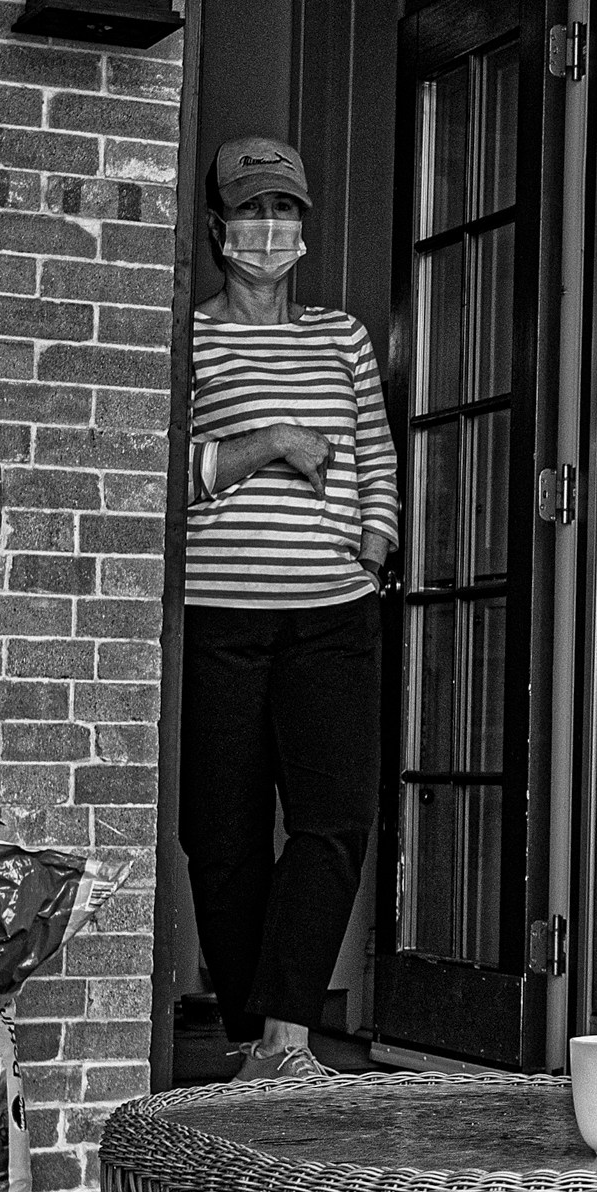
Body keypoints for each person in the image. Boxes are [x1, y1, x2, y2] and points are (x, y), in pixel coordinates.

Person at [177, 135, 396, 1082]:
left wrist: (375, 545)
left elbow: (377, 458)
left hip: (332, 616)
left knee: (334, 819)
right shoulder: (189, 338)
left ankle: (288, 1037)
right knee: (218, 835)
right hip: (218, 618)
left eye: (286, 213)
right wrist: (267, 440)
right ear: (219, 228)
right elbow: (172, 476)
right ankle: (242, 1031)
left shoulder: (341, 338)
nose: (270, 231)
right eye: (252, 212)